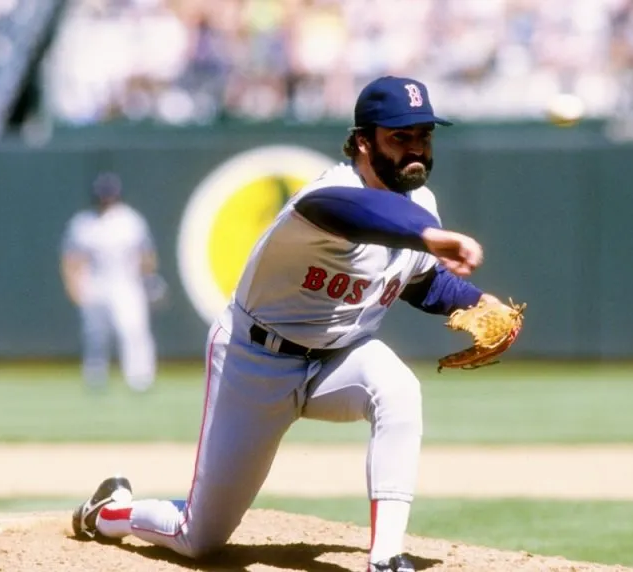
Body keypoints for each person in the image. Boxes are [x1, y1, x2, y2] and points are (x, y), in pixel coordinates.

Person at [71, 76, 508, 572]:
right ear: (363, 141)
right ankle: (110, 511)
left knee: (399, 390)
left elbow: (417, 281)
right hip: (255, 358)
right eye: (399, 137)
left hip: (338, 360)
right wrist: (427, 235)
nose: (417, 150)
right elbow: (349, 213)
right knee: (201, 537)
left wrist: (474, 303)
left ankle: (386, 557)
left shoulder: (422, 204)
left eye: (424, 136)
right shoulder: (330, 194)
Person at [60, 172, 163, 392]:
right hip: (96, 282)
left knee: (133, 329)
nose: (106, 199)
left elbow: (147, 254)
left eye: (109, 194)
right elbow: (72, 257)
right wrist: (73, 285)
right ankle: (96, 378)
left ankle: (140, 378)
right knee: (95, 333)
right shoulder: (84, 223)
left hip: (127, 282)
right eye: (102, 194)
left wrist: (149, 279)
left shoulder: (130, 220)